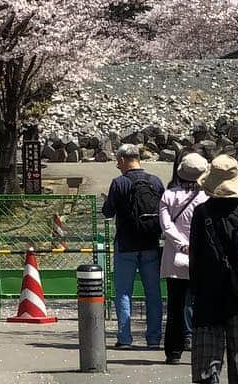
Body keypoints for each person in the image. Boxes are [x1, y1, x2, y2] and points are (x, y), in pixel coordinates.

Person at [189, 154, 238, 383]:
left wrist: (195, 293)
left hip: (209, 294)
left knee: (207, 366)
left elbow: (195, 258)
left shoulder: (202, 213)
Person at [101, 142, 165, 349]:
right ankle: (154, 338)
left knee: (123, 292)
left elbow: (108, 212)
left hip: (126, 245)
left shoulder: (119, 183)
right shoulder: (155, 182)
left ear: (121, 160)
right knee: (153, 293)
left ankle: (125, 339)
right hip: (151, 243)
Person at [160, 151, 209, 364]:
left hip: (175, 257)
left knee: (175, 306)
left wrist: (181, 243)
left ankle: (173, 351)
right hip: (201, 257)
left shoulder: (168, 195)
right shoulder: (206, 197)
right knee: (202, 305)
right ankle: (201, 347)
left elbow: (166, 225)